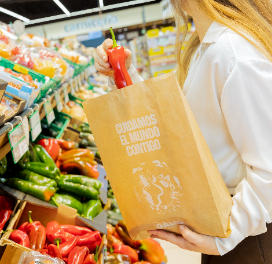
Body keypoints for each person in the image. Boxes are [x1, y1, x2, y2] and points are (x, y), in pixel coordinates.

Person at [95, 0, 272, 263]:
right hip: (225, 225)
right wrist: (124, 72)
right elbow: (176, 123)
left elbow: (268, 166)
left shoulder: (232, 52)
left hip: (249, 236)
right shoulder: (206, 47)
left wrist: (229, 232)